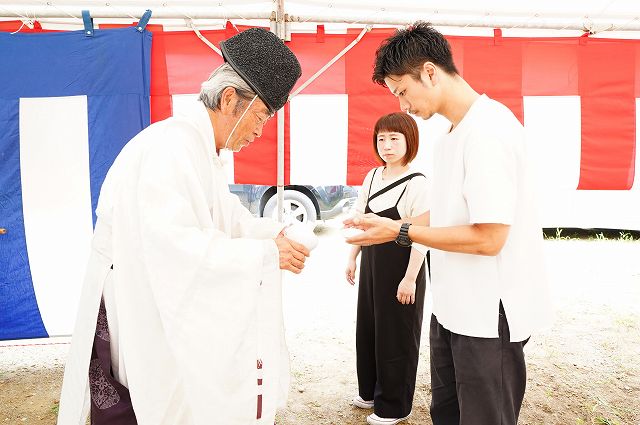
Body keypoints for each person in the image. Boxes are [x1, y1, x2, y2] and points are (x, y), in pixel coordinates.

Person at [57, 28, 308, 425]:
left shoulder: (198, 149)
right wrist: (262, 254)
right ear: (230, 100)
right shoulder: (171, 147)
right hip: (137, 303)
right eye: (260, 117)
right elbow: (175, 247)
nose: (260, 132)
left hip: (151, 299)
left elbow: (224, 216)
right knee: (150, 399)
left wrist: (268, 237)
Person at [345, 22, 552, 425]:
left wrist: (399, 231)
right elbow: (445, 212)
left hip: (490, 313)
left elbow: (490, 238)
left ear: (429, 72)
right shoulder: (448, 137)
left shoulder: (489, 130)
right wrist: (382, 224)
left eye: (402, 90)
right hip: (453, 308)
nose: (402, 105)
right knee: (448, 414)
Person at [345, 112, 430, 425]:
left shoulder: (418, 183)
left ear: (409, 141)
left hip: (402, 267)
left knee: (397, 335)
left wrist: (410, 279)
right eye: (381, 138)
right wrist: (352, 256)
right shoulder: (372, 176)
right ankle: (370, 392)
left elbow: (423, 235)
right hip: (371, 263)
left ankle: (395, 405)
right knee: (369, 328)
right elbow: (360, 216)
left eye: (394, 138)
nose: (387, 145)